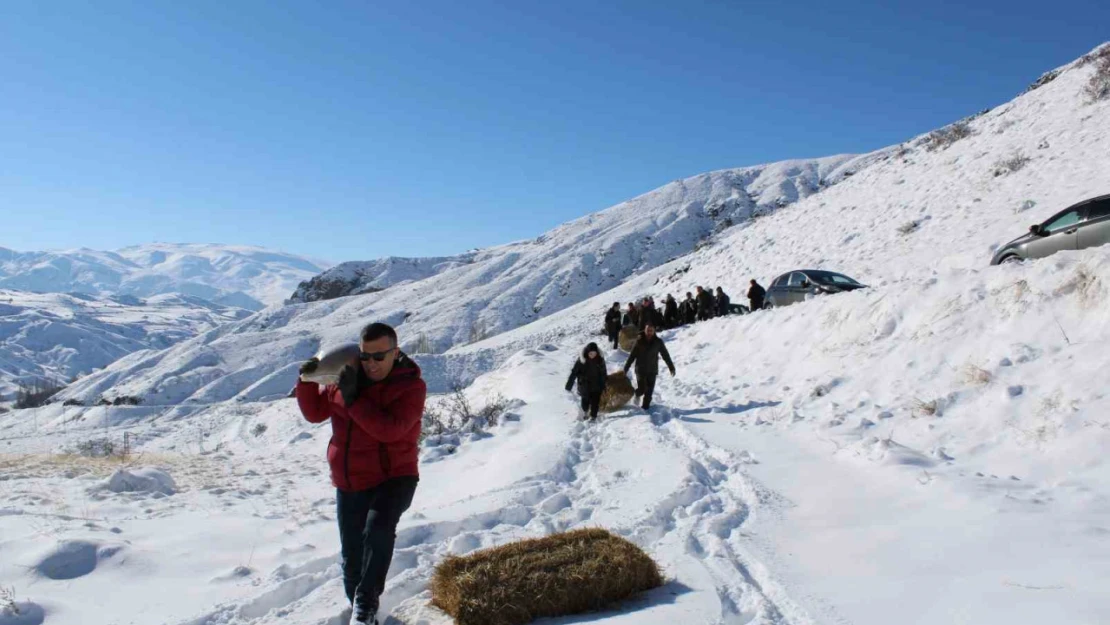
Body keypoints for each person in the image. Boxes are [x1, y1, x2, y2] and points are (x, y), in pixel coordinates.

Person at [296, 323, 426, 625]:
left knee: (378, 531)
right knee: (352, 559)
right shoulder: (349, 377)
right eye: (365, 357)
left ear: (395, 352)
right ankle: (364, 616)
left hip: (395, 476)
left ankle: (366, 606)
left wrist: (355, 400)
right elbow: (315, 413)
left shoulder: (410, 386)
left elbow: (390, 431)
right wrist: (305, 381)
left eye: (379, 357)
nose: (371, 364)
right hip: (351, 480)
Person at [623, 323, 676, 410]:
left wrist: (671, 367)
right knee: (642, 389)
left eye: (651, 330)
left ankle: (645, 408)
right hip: (640, 369)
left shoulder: (658, 342)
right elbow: (632, 356)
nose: (649, 332)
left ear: (654, 331)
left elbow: (665, 355)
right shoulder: (639, 341)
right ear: (645, 329)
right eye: (648, 330)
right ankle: (637, 394)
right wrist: (626, 368)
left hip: (652, 370)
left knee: (649, 391)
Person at [565, 342, 608, 421]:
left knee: (595, 402)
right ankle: (585, 412)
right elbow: (574, 372)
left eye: (594, 353)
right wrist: (569, 385)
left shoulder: (600, 360)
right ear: (587, 352)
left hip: (596, 385)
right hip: (585, 385)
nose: (592, 355)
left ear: (597, 353)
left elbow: (603, 373)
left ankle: (593, 416)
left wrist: (603, 384)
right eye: (591, 353)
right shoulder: (581, 360)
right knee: (585, 402)